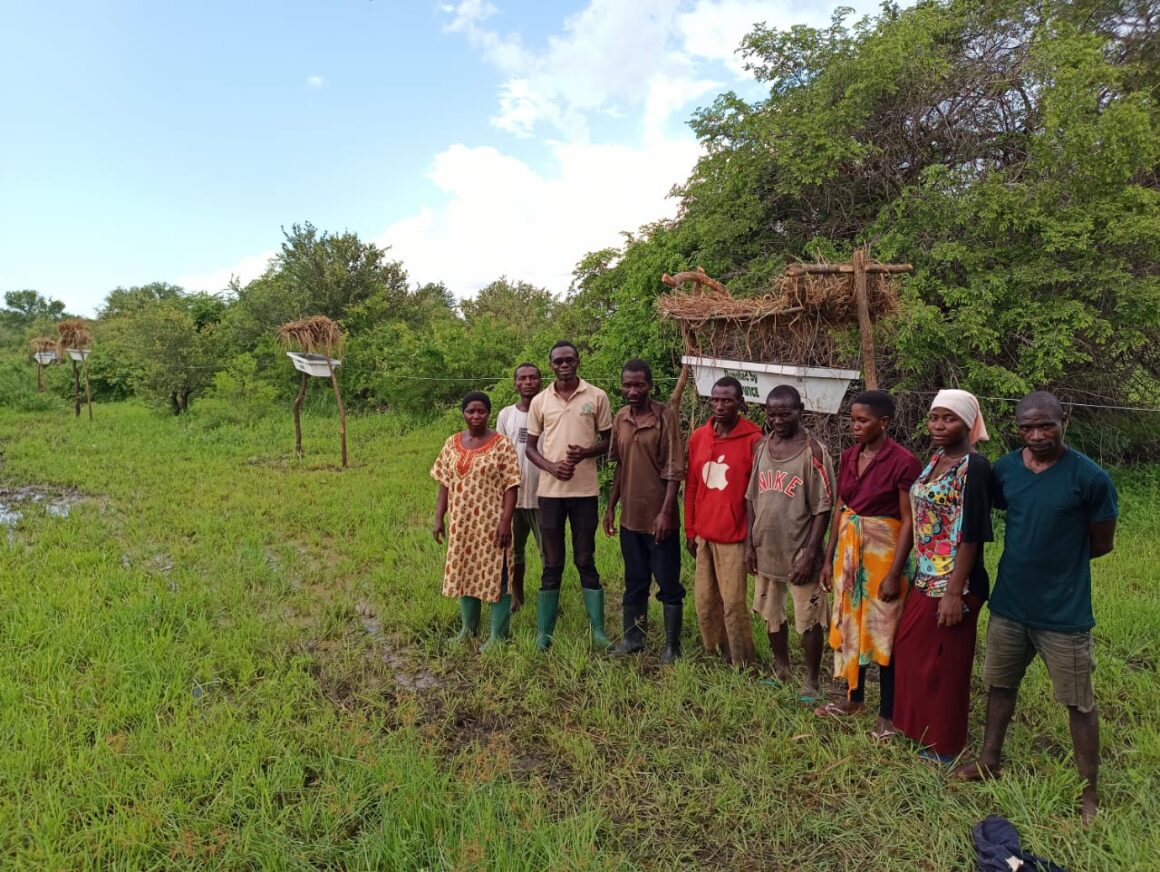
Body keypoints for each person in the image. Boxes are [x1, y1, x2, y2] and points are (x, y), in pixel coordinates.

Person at [955, 392, 1118, 825]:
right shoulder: (1006, 469)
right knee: (1000, 687)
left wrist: (1057, 568)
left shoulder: (1090, 478)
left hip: (1064, 615)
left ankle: (1089, 792)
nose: (1037, 435)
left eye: (1046, 425)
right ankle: (990, 760)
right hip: (1009, 604)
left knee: (1078, 703)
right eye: (1027, 427)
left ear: (1065, 418)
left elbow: (1101, 544)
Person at [892, 390, 993, 762]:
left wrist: (954, 593)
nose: (937, 425)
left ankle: (945, 745)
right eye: (934, 417)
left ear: (967, 424)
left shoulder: (974, 467)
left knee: (946, 665)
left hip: (956, 582)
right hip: (925, 576)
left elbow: (972, 532)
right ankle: (918, 728)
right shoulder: (936, 458)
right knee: (911, 651)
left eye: (948, 418)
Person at [816, 390, 920, 740]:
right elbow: (842, 508)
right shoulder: (849, 456)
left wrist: (894, 574)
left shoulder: (904, 461)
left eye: (863, 421)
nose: (855, 426)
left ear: (884, 422)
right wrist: (829, 557)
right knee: (851, 622)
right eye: (853, 420)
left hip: (883, 556)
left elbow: (908, 520)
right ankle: (853, 698)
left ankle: (888, 713)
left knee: (883, 630)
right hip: (849, 550)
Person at [744, 385, 835, 702]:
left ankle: (812, 679)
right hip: (766, 546)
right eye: (772, 413)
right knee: (772, 613)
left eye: (785, 413)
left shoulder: (815, 452)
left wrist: (811, 554)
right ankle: (781, 668)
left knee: (808, 618)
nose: (778, 419)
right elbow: (751, 498)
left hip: (800, 550)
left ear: (801, 411)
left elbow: (823, 508)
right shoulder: (761, 446)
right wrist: (749, 545)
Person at [526, 340, 613, 650]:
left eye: (569, 359)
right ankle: (544, 633)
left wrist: (586, 452)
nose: (564, 365)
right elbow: (530, 447)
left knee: (585, 557)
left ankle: (598, 631)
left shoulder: (596, 396)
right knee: (552, 562)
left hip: (585, 492)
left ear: (578, 361)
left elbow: (609, 441)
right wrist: (551, 467)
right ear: (550, 365)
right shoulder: (540, 401)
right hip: (549, 494)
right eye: (558, 361)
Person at [602, 359, 686, 662]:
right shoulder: (621, 416)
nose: (633, 390)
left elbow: (675, 470)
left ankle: (672, 647)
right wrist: (611, 507)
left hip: (659, 518)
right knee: (634, 580)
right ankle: (633, 640)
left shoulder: (666, 417)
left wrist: (665, 513)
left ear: (650, 385)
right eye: (627, 384)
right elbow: (620, 466)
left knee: (667, 583)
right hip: (629, 517)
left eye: (639, 384)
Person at [431, 391, 521, 650]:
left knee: (497, 575)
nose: (476, 415)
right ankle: (468, 630)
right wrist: (439, 518)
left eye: (481, 411)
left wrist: (506, 522)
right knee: (466, 571)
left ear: (488, 413)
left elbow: (511, 486)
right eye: (471, 411)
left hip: (493, 524)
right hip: (462, 524)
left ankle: (498, 636)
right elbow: (444, 484)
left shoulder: (502, 444)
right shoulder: (452, 443)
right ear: (463, 413)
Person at [685, 376, 763, 667]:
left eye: (727, 400)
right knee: (705, 600)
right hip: (704, 534)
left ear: (740, 403)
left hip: (735, 536)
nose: (719, 405)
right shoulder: (698, 437)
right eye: (715, 399)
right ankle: (714, 649)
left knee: (733, 603)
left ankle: (742, 658)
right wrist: (690, 530)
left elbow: (756, 494)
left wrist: (752, 540)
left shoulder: (754, 440)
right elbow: (692, 486)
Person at [495, 363, 545, 614]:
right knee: (513, 552)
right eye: (522, 378)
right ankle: (517, 597)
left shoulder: (550, 410)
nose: (528, 382)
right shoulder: (506, 415)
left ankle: (549, 599)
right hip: (512, 495)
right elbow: (500, 456)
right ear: (515, 383)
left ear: (541, 380)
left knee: (549, 553)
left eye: (533, 377)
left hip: (545, 495)